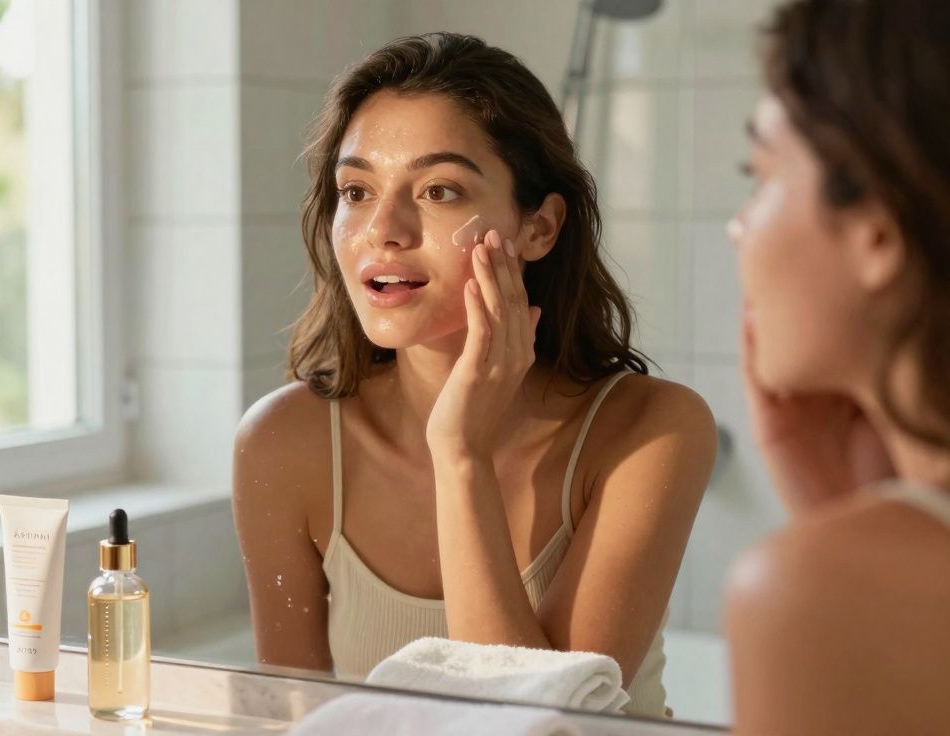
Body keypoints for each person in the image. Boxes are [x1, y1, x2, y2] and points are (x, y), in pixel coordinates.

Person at [233, 32, 716, 718]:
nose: (384, 229)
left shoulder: (651, 431)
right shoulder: (284, 442)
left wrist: (461, 456)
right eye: (356, 190)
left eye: (439, 190)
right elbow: (293, 719)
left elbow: (541, 729)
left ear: (539, 228)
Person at [725, 1, 950, 733]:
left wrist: (834, 554)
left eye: (760, 175)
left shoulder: (807, 592)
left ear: (878, 232)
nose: (738, 228)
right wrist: (844, 510)